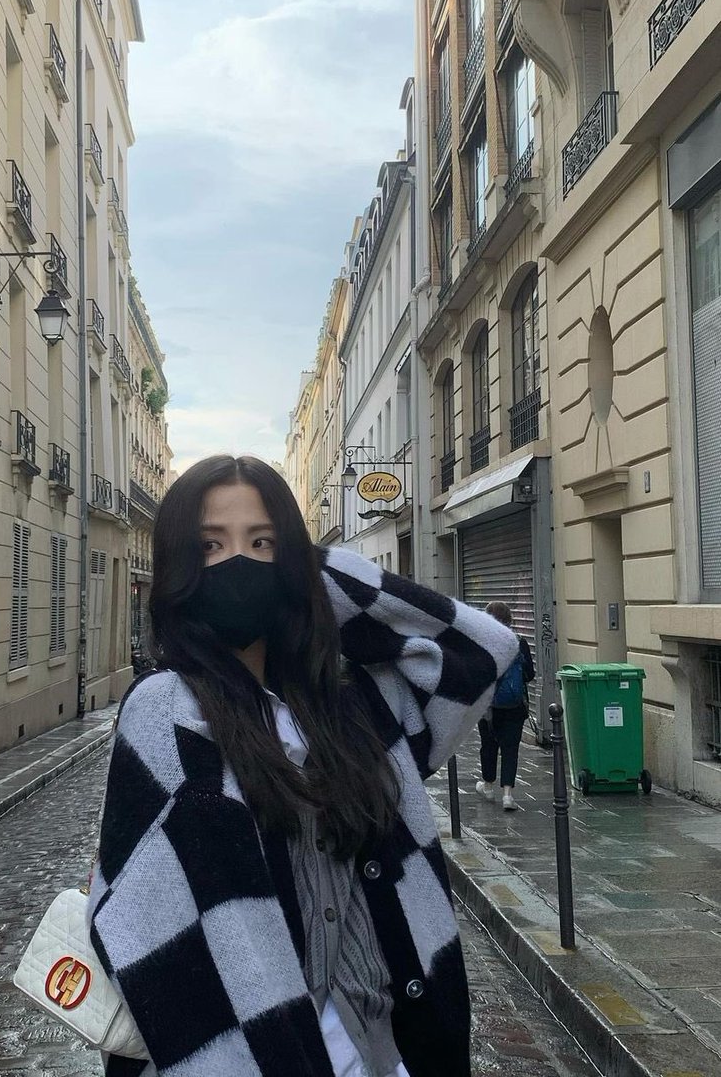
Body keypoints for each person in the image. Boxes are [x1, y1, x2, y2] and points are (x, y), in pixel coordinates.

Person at [88, 456, 518, 1077]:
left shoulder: (353, 707)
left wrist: (311, 575)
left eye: (262, 542)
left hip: (388, 1055)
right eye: (210, 546)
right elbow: (138, 928)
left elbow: (482, 650)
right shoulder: (167, 712)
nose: (238, 563)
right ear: (182, 566)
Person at [474, 601, 535, 812]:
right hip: (514, 706)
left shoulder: (481, 643)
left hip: (488, 706)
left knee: (488, 746)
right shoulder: (519, 642)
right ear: (509, 619)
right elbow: (529, 674)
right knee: (511, 749)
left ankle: (488, 786)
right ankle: (508, 794)